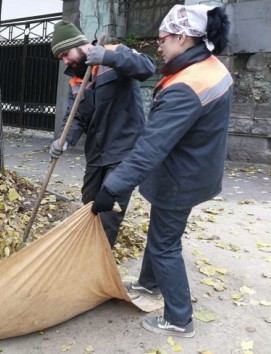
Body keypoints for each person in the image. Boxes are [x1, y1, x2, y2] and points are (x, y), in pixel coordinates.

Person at [91, 5, 232, 337]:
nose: (158, 45)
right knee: (162, 235)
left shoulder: (186, 86)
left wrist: (111, 188)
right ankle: (148, 285)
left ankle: (179, 319)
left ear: (183, 38)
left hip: (180, 178)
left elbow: (151, 146)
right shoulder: (211, 67)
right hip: (198, 169)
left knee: (164, 245)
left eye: (163, 38)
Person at [49, 21, 156, 247]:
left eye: (65, 54)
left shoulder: (115, 54)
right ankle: (89, 246)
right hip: (96, 153)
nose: (65, 61)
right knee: (90, 201)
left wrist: (108, 58)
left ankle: (98, 260)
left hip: (124, 151)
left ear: (79, 45)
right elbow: (74, 115)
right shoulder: (77, 79)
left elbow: (147, 67)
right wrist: (63, 140)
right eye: (61, 58)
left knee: (108, 208)